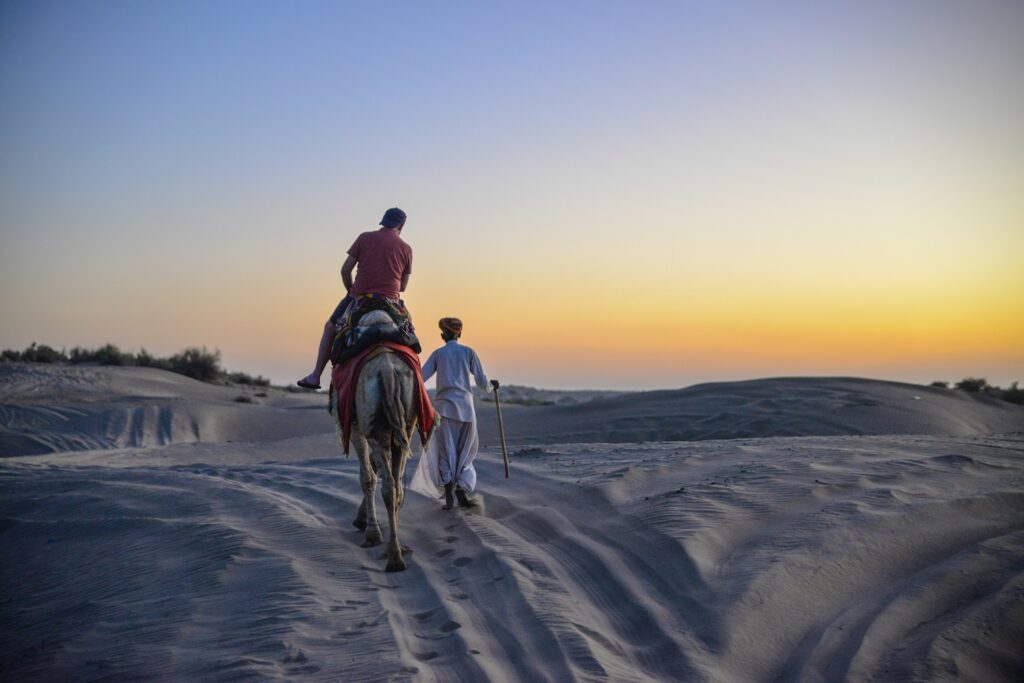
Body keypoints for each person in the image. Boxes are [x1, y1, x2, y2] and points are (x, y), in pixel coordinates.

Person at [297, 207, 412, 389]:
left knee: (330, 328)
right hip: (391, 302)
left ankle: (315, 376)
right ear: (402, 225)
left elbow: (345, 270)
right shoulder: (406, 249)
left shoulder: (364, 237)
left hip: (359, 298)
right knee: (410, 336)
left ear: (383, 221)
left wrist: (351, 290)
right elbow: (403, 287)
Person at [416, 317, 498, 509]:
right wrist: (491, 386)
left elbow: (420, 376)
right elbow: (481, 382)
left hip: (444, 409)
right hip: (466, 411)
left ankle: (449, 497)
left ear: (442, 334)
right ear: (459, 334)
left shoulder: (438, 354)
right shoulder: (468, 352)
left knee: (445, 451)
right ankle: (462, 486)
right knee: (468, 452)